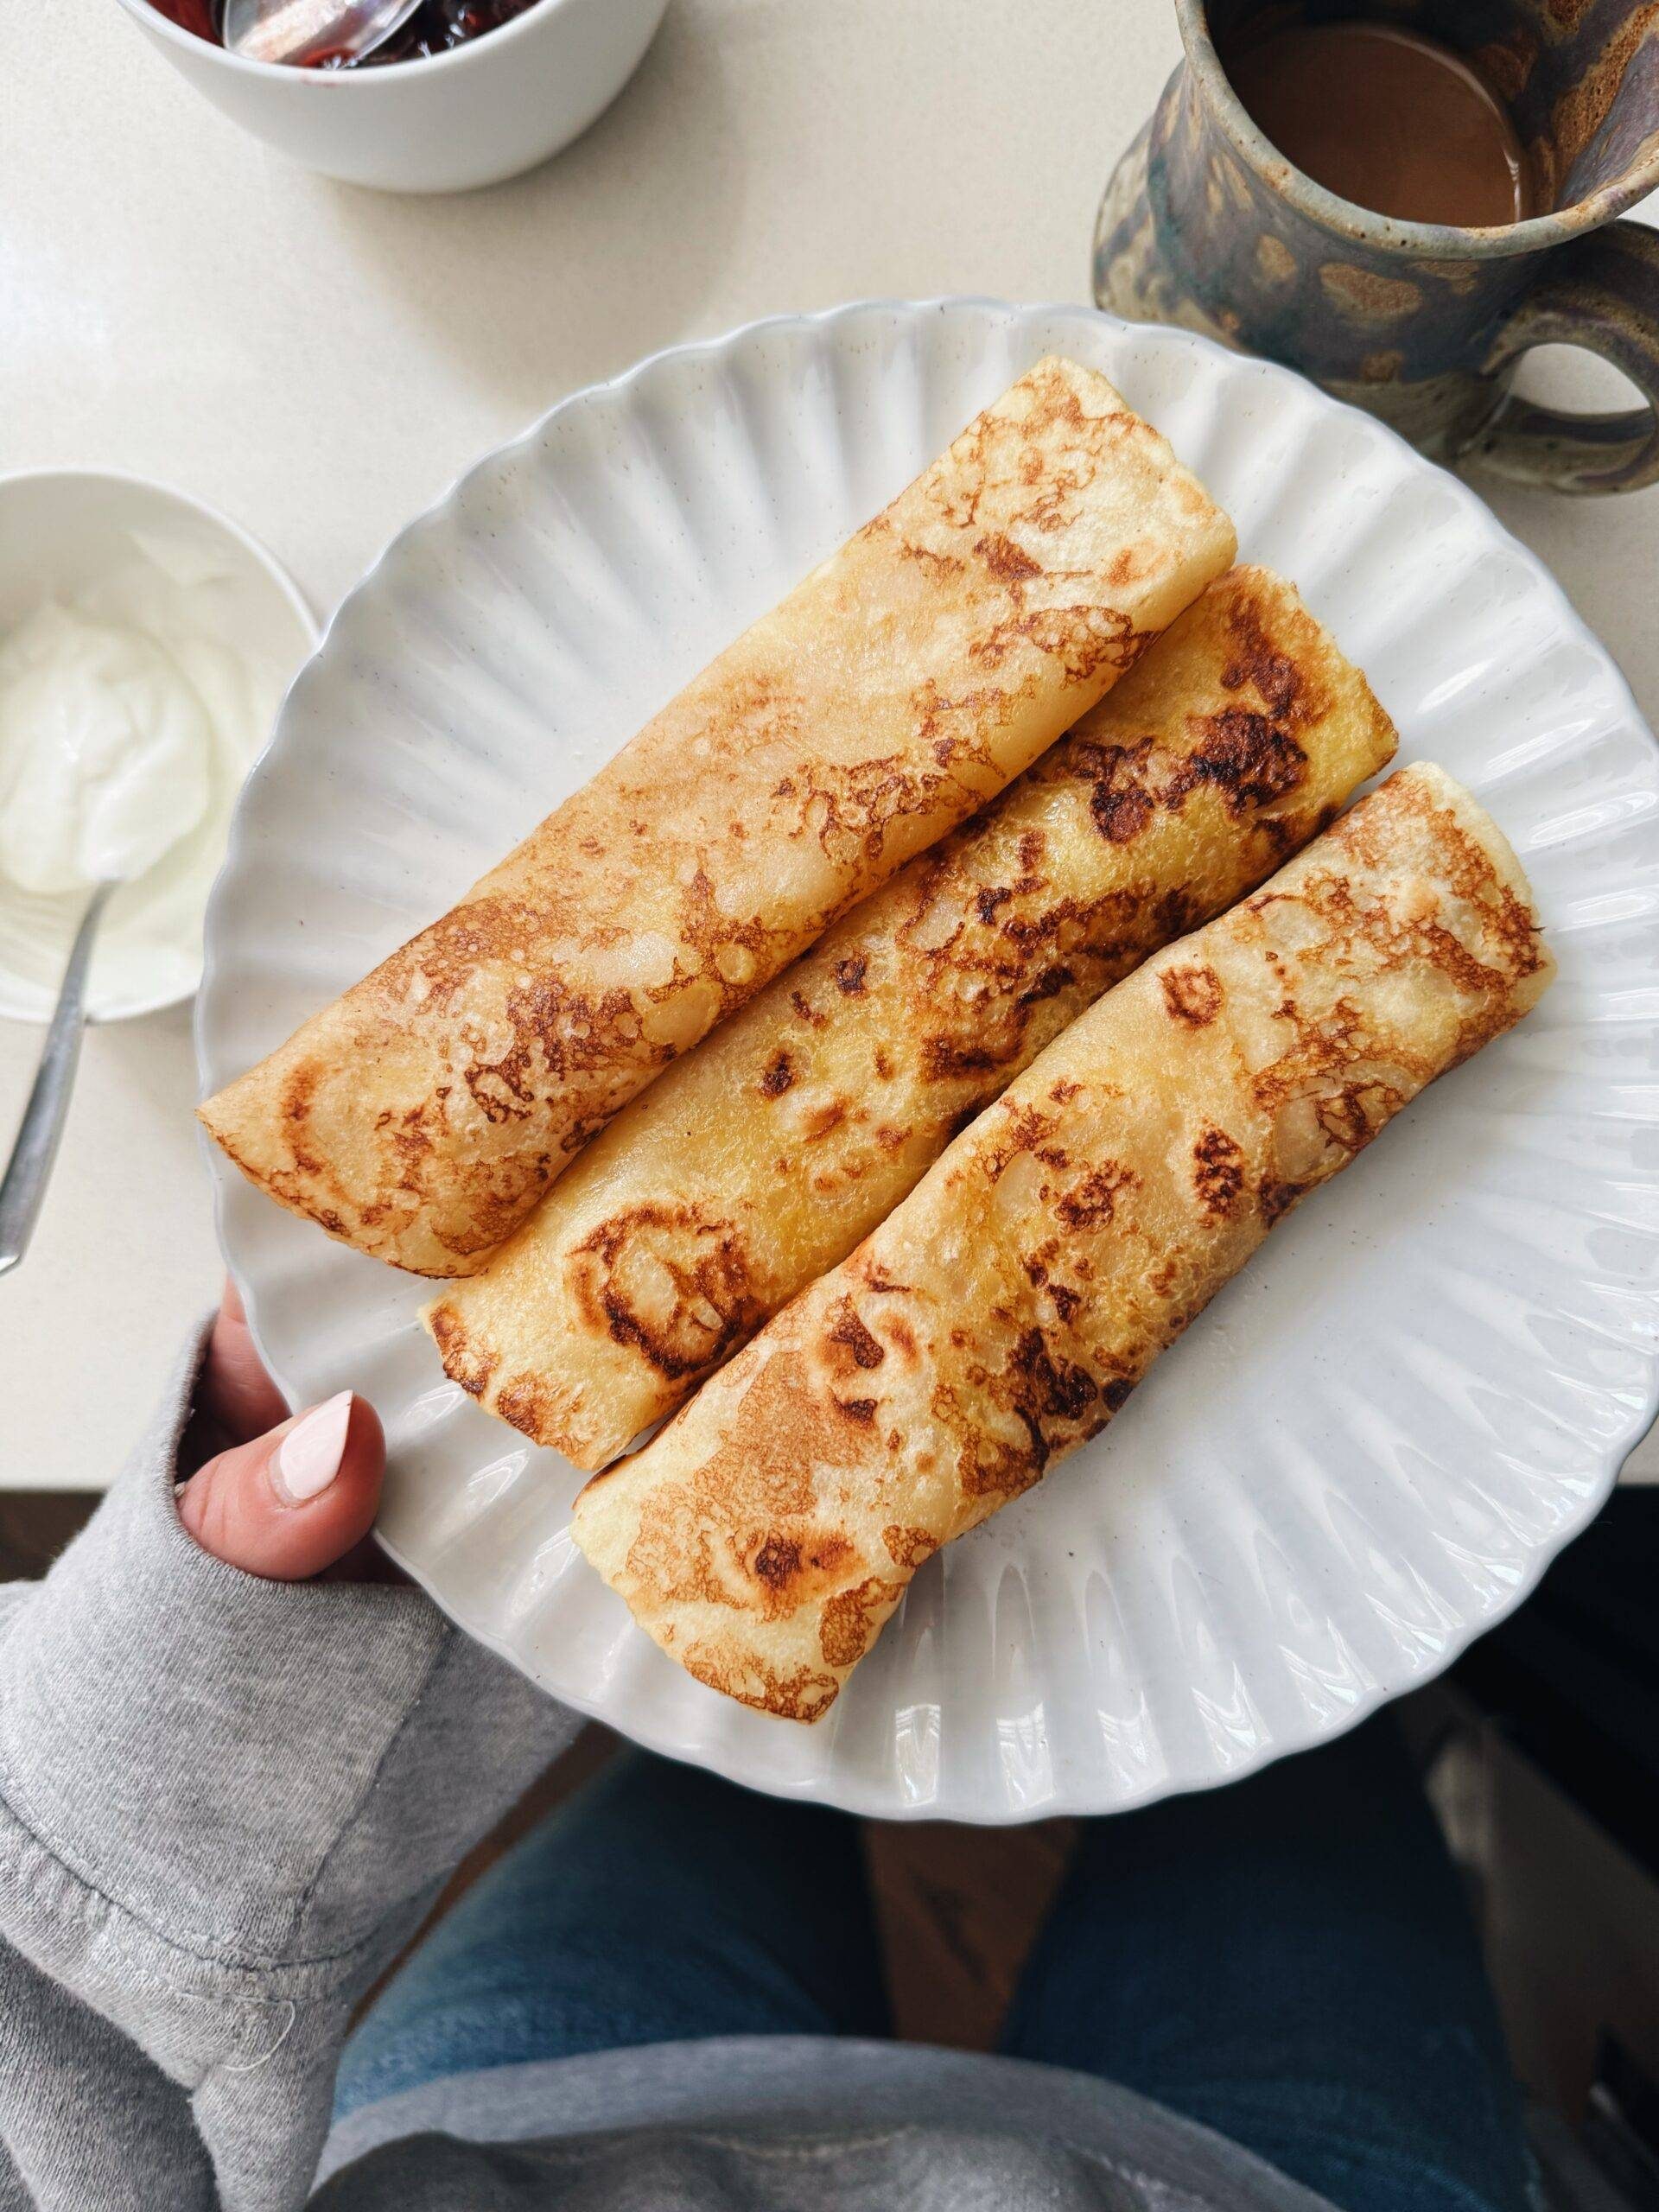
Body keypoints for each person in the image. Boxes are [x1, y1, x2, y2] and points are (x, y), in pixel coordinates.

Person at [0, 1286, 1534, 2212]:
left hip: (547, 2126)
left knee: (714, 1702)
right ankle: (1392, 1714)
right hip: (1248, 2186)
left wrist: (104, 1891)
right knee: (1293, 1715)